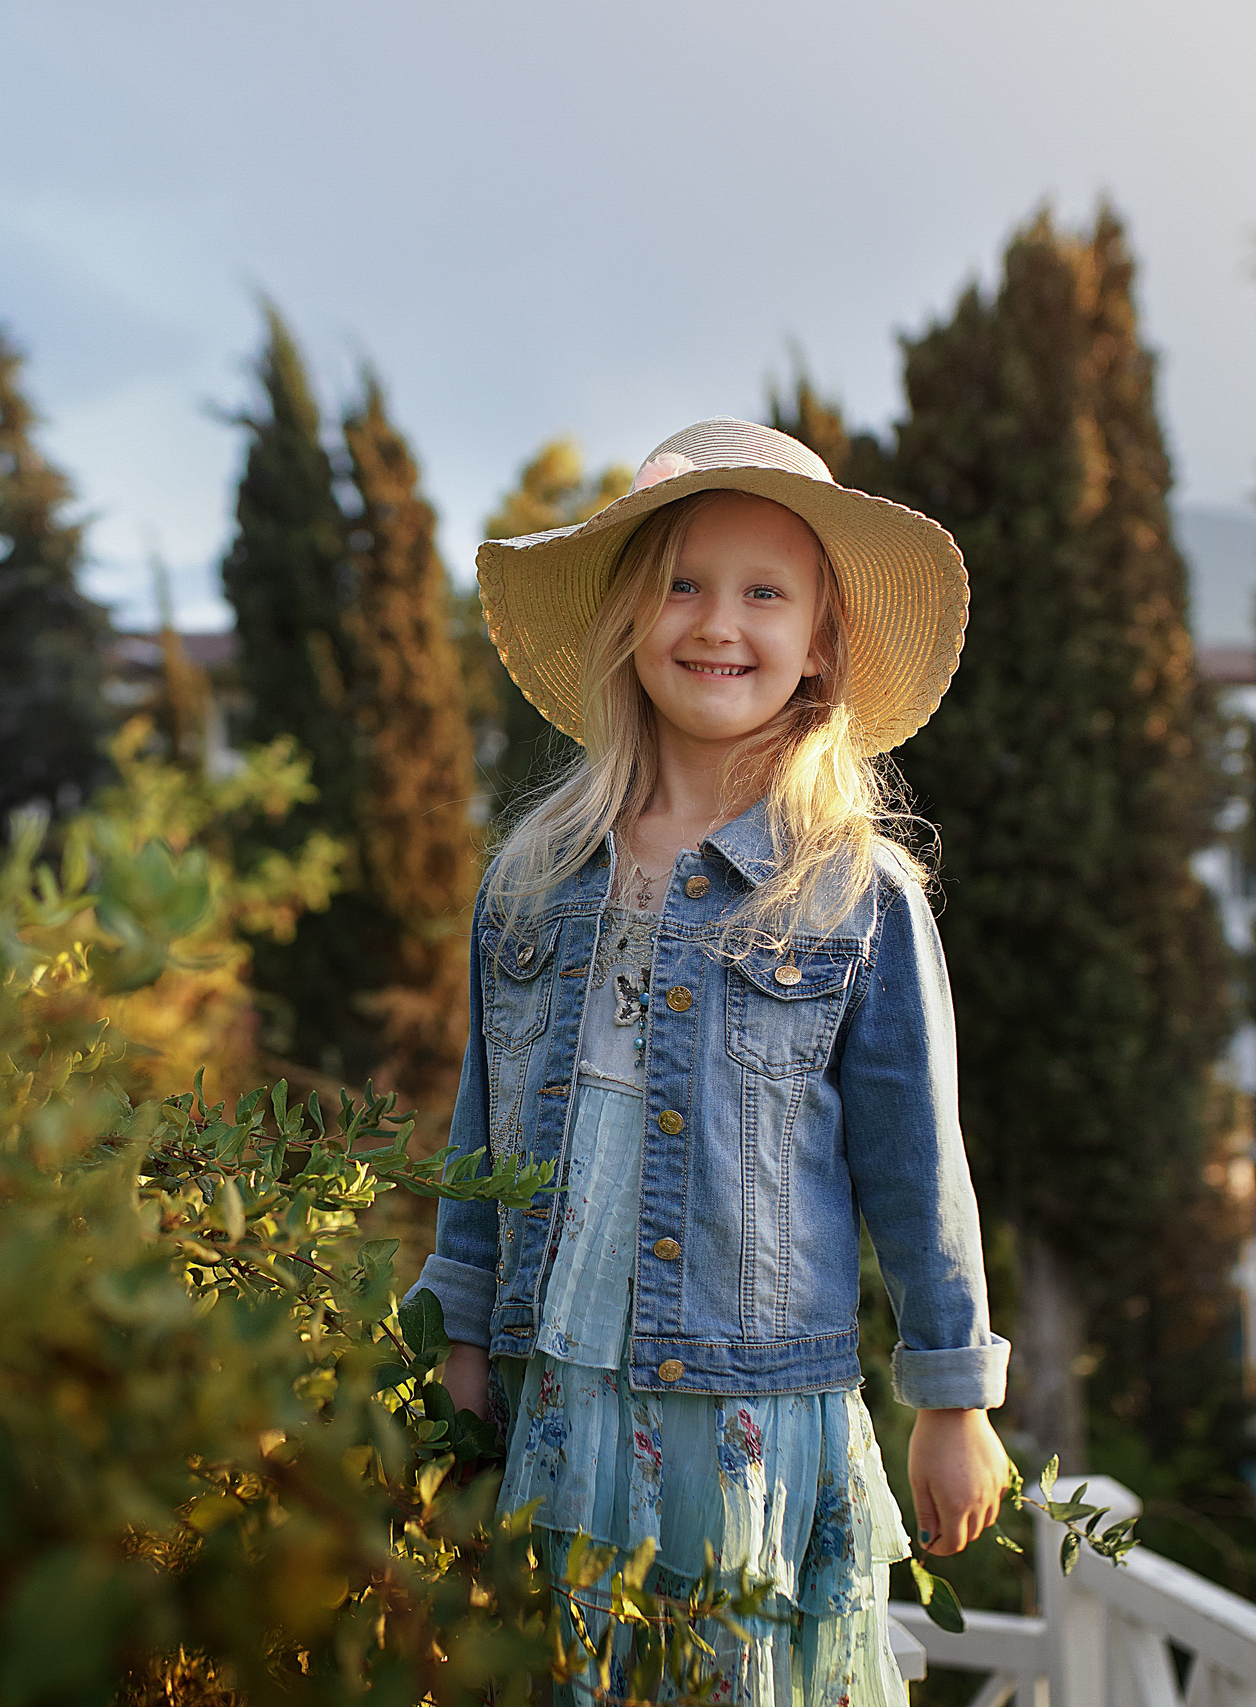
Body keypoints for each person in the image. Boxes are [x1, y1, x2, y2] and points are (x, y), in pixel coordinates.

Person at [404, 417, 1012, 1703]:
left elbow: (916, 1165)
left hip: (745, 1422)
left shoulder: (853, 892)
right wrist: (457, 1340)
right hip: (553, 1395)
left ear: (818, 646)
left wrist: (953, 1400)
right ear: (629, 617)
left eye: (762, 592)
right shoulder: (536, 875)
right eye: (681, 580)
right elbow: (483, 1128)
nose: (715, 622)